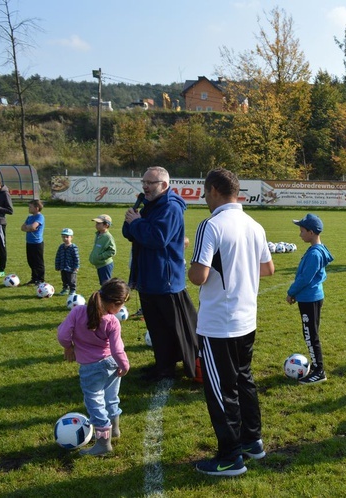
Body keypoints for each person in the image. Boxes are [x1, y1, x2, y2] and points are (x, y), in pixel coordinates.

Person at [188, 168, 274, 477]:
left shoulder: (211, 224)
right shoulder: (253, 224)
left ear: (213, 190)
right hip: (246, 318)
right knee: (243, 380)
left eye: (204, 192)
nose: (203, 198)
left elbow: (199, 275)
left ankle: (229, 457)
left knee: (221, 390)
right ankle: (253, 442)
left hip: (218, 323)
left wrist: (190, 265)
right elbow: (268, 269)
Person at [123, 166, 199, 381]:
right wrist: (135, 223)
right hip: (148, 275)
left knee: (171, 327)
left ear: (164, 185)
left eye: (150, 183)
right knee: (157, 328)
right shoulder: (148, 204)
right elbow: (128, 231)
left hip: (164, 278)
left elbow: (158, 238)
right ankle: (163, 366)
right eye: (143, 182)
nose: (145, 186)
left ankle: (185, 365)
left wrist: (137, 222)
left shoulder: (170, 208)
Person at [57, 278, 131, 455]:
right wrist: (124, 365)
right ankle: (114, 430)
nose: (121, 309)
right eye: (122, 305)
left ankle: (103, 443)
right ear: (114, 304)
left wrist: (68, 346)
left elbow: (62, 333)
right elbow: (117, 349)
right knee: (111, 397)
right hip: (111, 364)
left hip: (90, 368)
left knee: (95, 404)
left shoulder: (78, 312)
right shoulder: (112, 321)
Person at [286, 213, 334, 384]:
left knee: (310, 335)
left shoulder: (315, 254)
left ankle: (319, 370)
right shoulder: (316, 250)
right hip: (310, 297)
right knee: (311, 334)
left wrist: (291, 292)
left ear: (311, 232)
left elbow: (305, 278)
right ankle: (316, 366)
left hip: (309, 299)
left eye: (302, 231)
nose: (300, 234)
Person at [21, 199, 45, 285]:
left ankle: (40, 279)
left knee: (38, 262)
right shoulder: (30, 217)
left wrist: (29, 227)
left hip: (37, 243)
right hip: (29, 242)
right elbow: (22, 228)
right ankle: (34, 278)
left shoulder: (40, 217)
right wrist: (29, 227)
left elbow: (33, 227)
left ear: (37, 208)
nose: (29, 208)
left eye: (30, 207)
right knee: (31, 261)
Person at [89, 214, 117, 285]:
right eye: (96, 223)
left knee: (106, 284)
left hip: (105, 265)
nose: (96, 225)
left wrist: (100, 257)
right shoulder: (98, 234)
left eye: (99, 223)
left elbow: (112, 251)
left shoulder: (108, 237)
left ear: (106, 225)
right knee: (103, 284)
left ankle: (108, 296)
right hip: (100, 264)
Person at [55, 228, 80, 296]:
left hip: (71, 268)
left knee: (72, 280)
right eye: (63, 237)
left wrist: (76, 266)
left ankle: (72, 290)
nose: (65, 238)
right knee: (64, 279)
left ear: (71, 237)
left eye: (67, 237)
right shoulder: (61, 247)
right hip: (63, 267)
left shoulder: (73, 247)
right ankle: (65, 288)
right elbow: (58, 256)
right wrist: (57, 265)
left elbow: (76, 258)